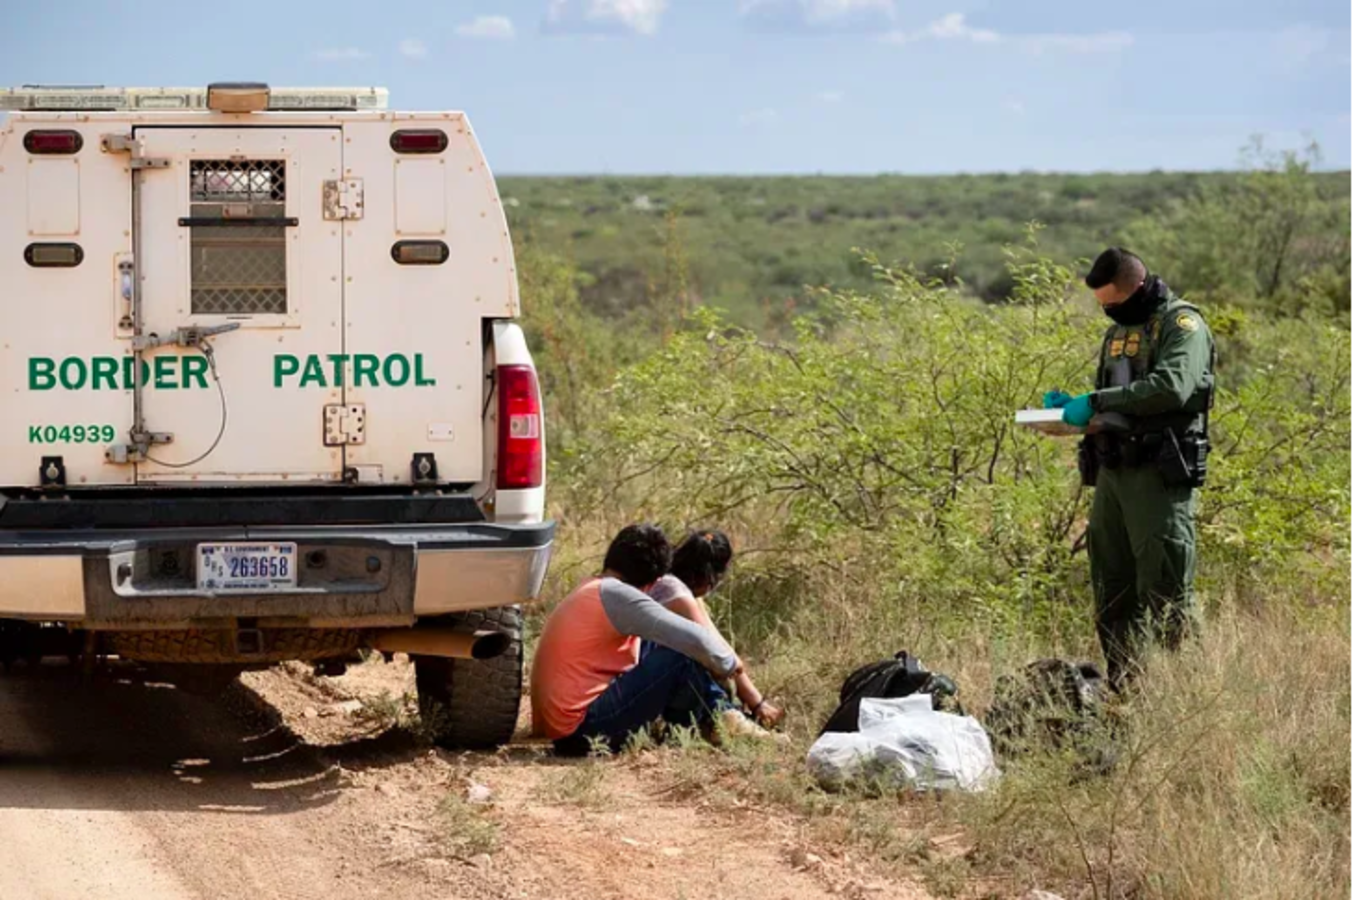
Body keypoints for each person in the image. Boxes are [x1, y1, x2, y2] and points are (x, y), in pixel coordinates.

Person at [1044, 248, 1215, 690]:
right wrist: (1073, 413)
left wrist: (1097, 402)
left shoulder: (1182, 325)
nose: (1109, 312)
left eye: (1114, 303)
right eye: (1103, 305)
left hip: (1157, 477)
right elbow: (1118, 398)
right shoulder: (1118, 334)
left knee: (1166, 592)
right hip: (1113, 475)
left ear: (1137, 288)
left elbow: (1170, 388)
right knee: (1113, 592)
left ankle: (1188, 697)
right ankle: (1129, 694)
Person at [530, 524, 770, 755]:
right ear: (654, 581)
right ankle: (719, 720)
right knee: (680, 655)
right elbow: (696, 640)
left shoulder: (592, 588)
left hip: (566, 730)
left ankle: (706, 723)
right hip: (583, 731)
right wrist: (730, 664)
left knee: (658, 646)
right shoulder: (619, 596)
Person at [648, 530, 784, 729]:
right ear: (710, 576)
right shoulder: (676, 594)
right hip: (655, 681)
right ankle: (724, 719)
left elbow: (717, 642)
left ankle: (728, 716)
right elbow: (717, 653)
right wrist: (757, 703)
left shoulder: (672, 584)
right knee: (699, 663)